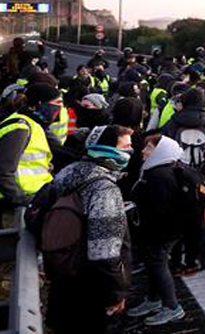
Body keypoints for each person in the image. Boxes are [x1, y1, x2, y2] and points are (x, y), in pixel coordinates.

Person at [45, 125, 134, 334]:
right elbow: (104, 252)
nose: (131, 151)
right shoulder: (104, 189)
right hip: (90, 284)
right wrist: (116, 292)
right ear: (108, 149)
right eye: (126, 146)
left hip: (65, 270)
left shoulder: (70, 171)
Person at [127, 135, 188, 326]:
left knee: (158, 264)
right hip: (164, 230)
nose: (143, 151)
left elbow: (158, 209)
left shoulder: (158, 176)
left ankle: (172, 307)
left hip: (161, 232)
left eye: (149, 148)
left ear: (161, 152)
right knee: (153, 264)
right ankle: (154, 299)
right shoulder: (163, 170)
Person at [161, 85, 205, 275]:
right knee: (197, 220)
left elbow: (163, 146)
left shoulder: (174, 122)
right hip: (200, 179)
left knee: (176, 219)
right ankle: (192, 261)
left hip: (177, 178)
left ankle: (176, 262)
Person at [0, 82, 58, 221]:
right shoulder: (21, 127)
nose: (60, 108)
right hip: (12, 205)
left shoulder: (33, 124)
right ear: (39, 103)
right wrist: (21, 200)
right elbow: (3, 170)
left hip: (26, 198)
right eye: (57, 103)